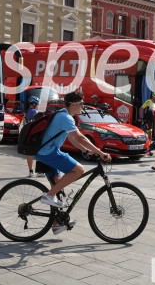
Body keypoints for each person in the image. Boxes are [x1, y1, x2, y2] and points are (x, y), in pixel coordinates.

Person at [36, 92, 111, 231]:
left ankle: (56, 224)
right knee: (79, 170)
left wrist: (85, 150)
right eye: (81, 103)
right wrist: (100, 153)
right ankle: (49, 195)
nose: (83, 106)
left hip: (44, 152)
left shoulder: (64, 115)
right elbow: (81, 137)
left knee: (58, 185)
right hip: (49, 153)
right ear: (73, 104)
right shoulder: (65, 117)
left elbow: (72, 138)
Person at [24, 97, 42, 178]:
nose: (38, 106)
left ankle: (31, 171)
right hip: (35, 135)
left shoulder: (27, 111)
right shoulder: (35, 111)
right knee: (39, 152)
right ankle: (39, 171)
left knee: (30, 154)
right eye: (38, 104)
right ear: (34, 104)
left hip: (28, 135)